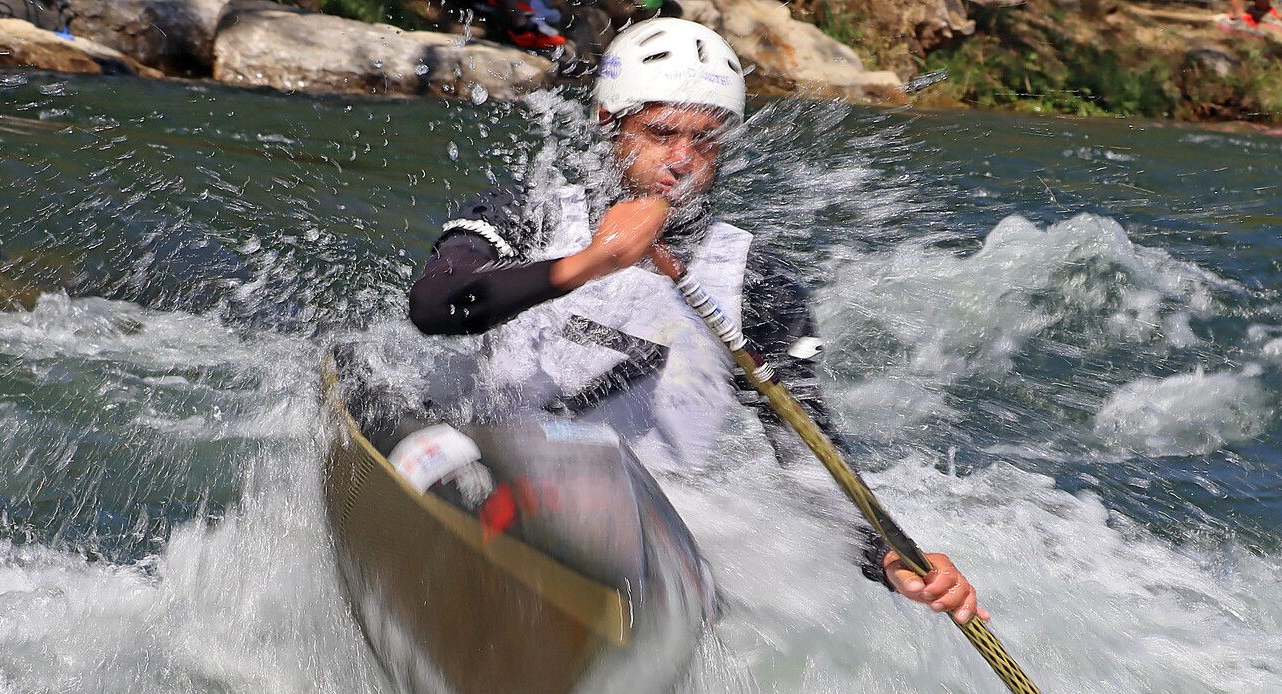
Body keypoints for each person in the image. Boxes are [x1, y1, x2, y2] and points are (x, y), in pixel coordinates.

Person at [407, 18, 986, 624]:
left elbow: (804, 445)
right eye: (660, 133)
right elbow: (435, 307)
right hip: (493, 473)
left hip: (638, 534)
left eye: (705, 140)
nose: (682, 161)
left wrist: (887, 556)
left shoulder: (755, 283)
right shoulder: (528, 212)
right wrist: (591, 263)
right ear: (610, 124)